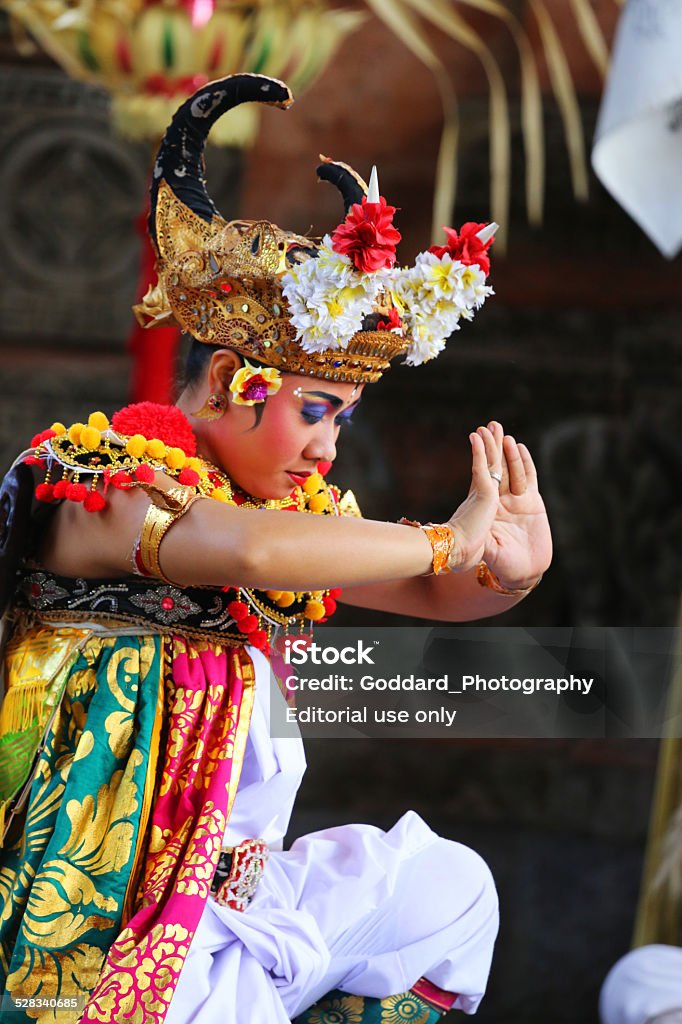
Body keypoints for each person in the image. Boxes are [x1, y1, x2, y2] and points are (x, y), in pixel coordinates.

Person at [0, 74, 552, 1023]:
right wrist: (438, 540)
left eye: (342, 418)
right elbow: (240, 554)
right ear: (227, 380)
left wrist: (509, 570)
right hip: (97, 937)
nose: (327, 449)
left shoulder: (290, 526)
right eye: (313, 411)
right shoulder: (91, 478)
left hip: (233, 904)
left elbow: (437, 592)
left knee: (449, 896)